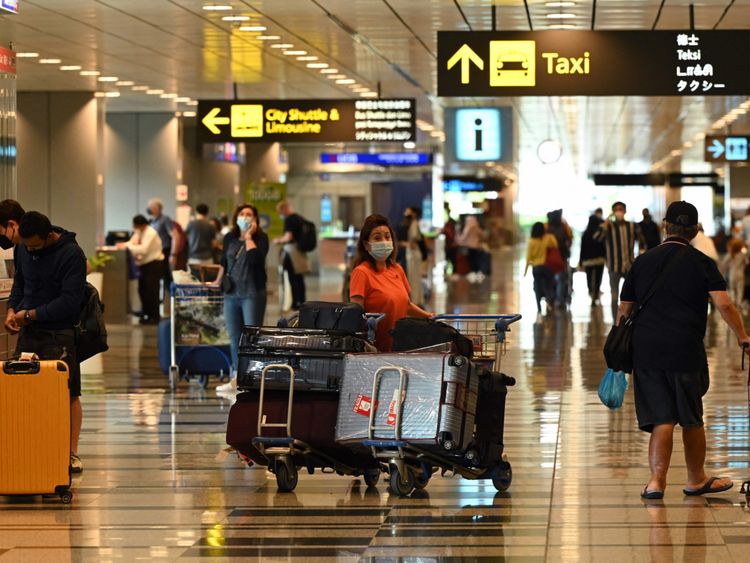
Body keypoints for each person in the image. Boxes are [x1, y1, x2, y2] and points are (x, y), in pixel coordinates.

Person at [617, 201, 750, 499]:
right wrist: (743, 336)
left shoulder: (643, 262)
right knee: (691, 417)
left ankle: (656, 482)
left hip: (647, 351)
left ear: (665, 227)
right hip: (685, 350)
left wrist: (622, 344)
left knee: (662, 418)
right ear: (694, 230)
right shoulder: (703, 263)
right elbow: (724, 304)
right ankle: (695, 479)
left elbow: (624, 310)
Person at [5, 211, 87, 473]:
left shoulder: (71, 254)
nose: (31, 251)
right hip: (29, 332)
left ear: (50, 235)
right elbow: (20, 283)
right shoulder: (23, 248)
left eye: (36, 245)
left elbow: (71, 300)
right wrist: (12, 310)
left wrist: (31, 314)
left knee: (68, 393)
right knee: (22, 391)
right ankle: (29, 446)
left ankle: (71, 453)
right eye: (27, 246)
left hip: (59, 332)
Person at [349, 214, 431, 352]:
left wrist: (430, 317)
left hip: (400, 346)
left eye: (387, 237)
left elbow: (407, 305)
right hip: (376, 350)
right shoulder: (361, 273)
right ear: (366, 245)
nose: (384, 241)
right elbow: (355, 314)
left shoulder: (397, 269)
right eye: (377, 238)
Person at [216, 204, 269, 394]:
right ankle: (237, 377)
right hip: (231, 294)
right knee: (234, 338)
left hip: (252, 294)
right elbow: (225, 261)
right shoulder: (229, 237)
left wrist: (248, 237)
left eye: (249, 215)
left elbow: (256, 259)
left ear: (255, 220)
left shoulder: (261, 239)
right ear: (236, 217)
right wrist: (217, 281)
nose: (245, 217)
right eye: (242, 214)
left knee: (252, 337)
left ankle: (252, 377)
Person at [594, 201, 640, 318]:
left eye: (621, 209)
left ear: (625, 211)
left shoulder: (632, 226)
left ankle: (631, 318)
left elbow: (642, 241)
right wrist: (605, 223)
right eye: (617, 210)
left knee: (633, 294)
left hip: (629, 265)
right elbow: (597, 238)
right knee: (614, 296)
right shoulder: (608, 227)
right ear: (613, 212)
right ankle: (617, 321)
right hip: (614, 266)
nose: (619, 212)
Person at [119, 215, 164, 324]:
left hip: (153, 264)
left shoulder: (150, 233)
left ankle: (154, 316)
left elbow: (143, 250)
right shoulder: (140, 231)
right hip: (144, 265)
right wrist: (125, 245)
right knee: (143, 290)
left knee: (152, 291)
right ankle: (146, 314)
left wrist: (127, 247)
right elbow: (132, 242)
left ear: (140, 224)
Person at [273, 200, 309, 311]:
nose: (280, 215)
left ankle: (295, 303)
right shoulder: (299, 218)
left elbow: (288, 237)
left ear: (284, 209)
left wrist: (278, 240)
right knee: (299, 278)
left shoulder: (289, 219)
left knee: (292, 278)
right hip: (300, 252)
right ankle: (302, 302)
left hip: (292, 253)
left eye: (280, 212)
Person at [524, 222, 558, 314]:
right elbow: (555, 245)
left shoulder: (531, 241)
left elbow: (528, 257)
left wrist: (526, 270)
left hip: (536, 267)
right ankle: (549, 303)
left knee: (537, 287)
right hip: (547, 266)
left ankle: (539, 307)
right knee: (549, 286)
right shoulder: (548, 238)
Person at [546, 209, 573, 305]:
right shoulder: (564, 226)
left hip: (549, 258)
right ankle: (561, 299)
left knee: (550, 279)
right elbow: (570, 239)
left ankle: (551, 299)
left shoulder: (547, 227)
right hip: (562, 257)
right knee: (562, 279)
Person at [579, 214, 606, 306]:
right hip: (599, 259)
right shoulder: (599, 233)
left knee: (589, 278)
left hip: (588, 261)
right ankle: (595, 294)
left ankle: (591, 293)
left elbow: (582, 249)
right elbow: (604, 247)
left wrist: (581, 261)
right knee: (598, 279)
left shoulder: (585, 234)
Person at [403, 207, 425, 304]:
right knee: (414, 278)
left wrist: (405, 244)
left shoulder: (414, 224)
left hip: (413, 254)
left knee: (414, 278)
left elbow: (414, 240)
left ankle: (415, 301)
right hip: (414, 254)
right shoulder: (413, 224)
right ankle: (417, 299)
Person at [457, 215, 485, 282]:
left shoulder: (468, 228)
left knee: (472, 261)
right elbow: (483, 235)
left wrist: (458, 239)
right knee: (476, 261)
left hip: (470, 247)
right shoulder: (476, 228)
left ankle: (473, 273)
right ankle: (477, 273)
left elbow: (463, 238)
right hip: (476, 247)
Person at [721, 238, 747, 306]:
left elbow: (723, 264)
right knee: (740, 289)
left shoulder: (730, 255)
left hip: (732, 274)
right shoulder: (742, 255)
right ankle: (739, 303)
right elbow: (746, 262)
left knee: (732, 288)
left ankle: (733, 301)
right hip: (741, 274)